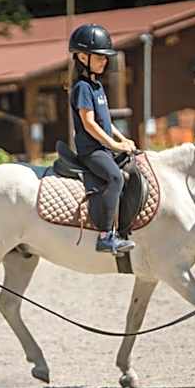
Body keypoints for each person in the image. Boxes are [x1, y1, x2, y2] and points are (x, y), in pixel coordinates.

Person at [69, 23, 138, 255]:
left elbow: (106, 122)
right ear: (81, 56)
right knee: (115, 178)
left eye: (105, 57)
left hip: (104, 147)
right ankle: (105, 236)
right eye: (99, 57)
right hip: (91, 151)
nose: (104, 61)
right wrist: (114, 145)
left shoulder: (97, 86)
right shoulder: (81, 88)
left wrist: (124, 140)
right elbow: (89, 123)